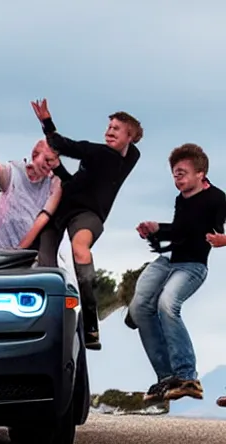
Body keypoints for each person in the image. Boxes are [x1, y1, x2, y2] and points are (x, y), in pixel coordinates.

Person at [29, 98, 143, 350]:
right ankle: (49, 319)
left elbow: (61, 143)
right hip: (61, 211)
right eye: (108, 128)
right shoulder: (111, 156)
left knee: (80, 248)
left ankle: (91, 322)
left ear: (130, 137)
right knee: (44, 261)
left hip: (87, 215)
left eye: (116, 129)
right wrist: (58, 169)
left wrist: (46, 121)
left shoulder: (106, 154)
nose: (109, 132)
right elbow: (74, 186)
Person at [128, 143, 226, 403]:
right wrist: (156, 228)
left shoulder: (217, 198)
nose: (177, 178)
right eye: (174, 174)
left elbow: (216, 230)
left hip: (192, 266)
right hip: (168, 260)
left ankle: (187, 376)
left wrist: (222, 240)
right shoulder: (180, 199)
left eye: (182, 172)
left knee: (167, 304)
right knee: (139, 308)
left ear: (200, 174)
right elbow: (180, 231)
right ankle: (167, 378)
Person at [0, 131, 63, 252]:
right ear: (34, 155)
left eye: (51, 163)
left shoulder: (54, 183)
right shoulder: (15, 169)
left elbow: (42, 219)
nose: (47, 167)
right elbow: (1, 177)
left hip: (22, 251)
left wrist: (19, 250)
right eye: (45, 163)